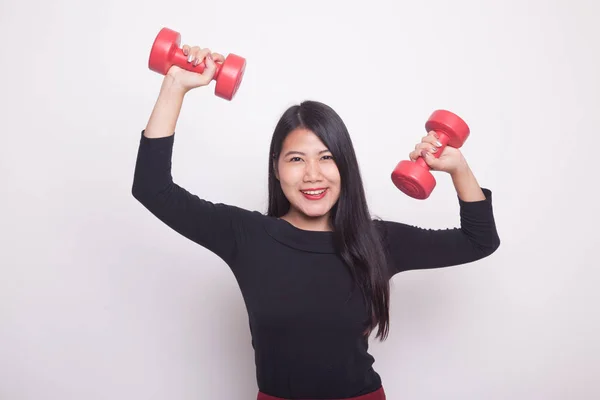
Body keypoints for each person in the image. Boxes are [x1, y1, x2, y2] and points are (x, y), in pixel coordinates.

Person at [131, 44, 500, 400]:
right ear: (276, 168)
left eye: (326, 158)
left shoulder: (378, 241)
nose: (312, 175)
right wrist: (175, 85)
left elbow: (479, 240)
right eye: (296, 159)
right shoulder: (246, 236)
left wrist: (458, 168)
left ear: (344, 166)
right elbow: (152, 188)